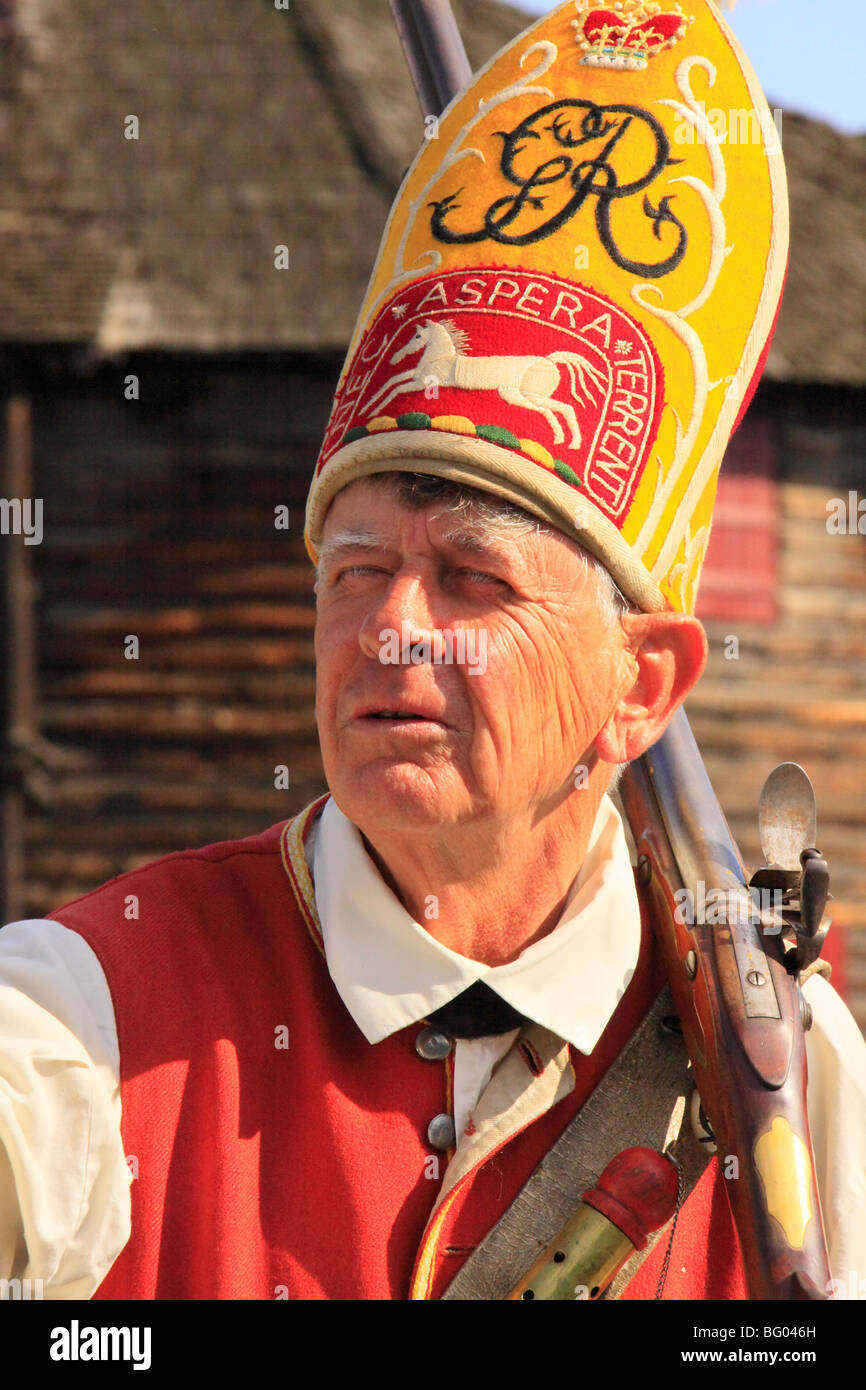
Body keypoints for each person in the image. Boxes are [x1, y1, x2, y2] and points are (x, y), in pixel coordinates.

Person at [1, 0, 865, 1300]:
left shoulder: (805, 1082)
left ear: (641, 684)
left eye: (470, 578)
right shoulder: (79, 1016)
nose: (392, 627)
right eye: (355, 572)